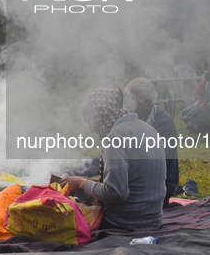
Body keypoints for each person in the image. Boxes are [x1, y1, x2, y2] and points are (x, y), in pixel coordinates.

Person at [60, 88, 166, 231]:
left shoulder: (114, 138)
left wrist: (81, 183)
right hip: (152, 219)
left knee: (62, 215)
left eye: (88, 120)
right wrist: (86, 183)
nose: (90, 128)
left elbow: (116, 193)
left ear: (99, 115)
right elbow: (133, 181)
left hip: (127, 223)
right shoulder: (148, 129)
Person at [124, 77, 179, 208]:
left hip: (159, 187)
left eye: (130, 97)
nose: (125, 101)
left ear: (145, 103)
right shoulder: (129, 119)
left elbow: (148, 159)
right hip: (139, 183)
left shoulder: (163, 123)